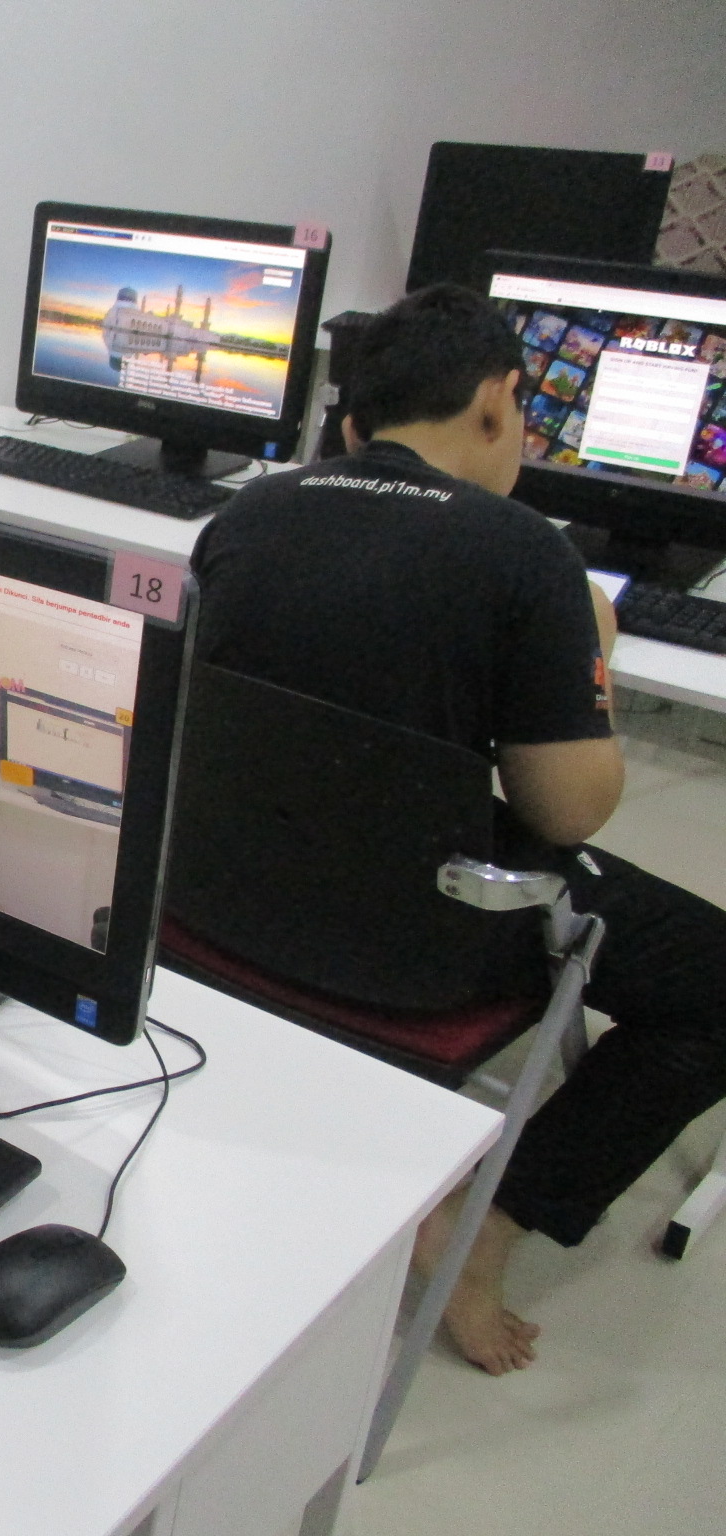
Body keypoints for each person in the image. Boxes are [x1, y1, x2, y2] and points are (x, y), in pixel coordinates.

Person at [189, 285, 726, 1376]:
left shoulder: (241, 520)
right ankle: (482, 1228)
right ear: (497, 400)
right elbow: (569, 812)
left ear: (352, 426)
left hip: (216, 908)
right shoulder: (525, 556)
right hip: (413, 952)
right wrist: (590, 647)